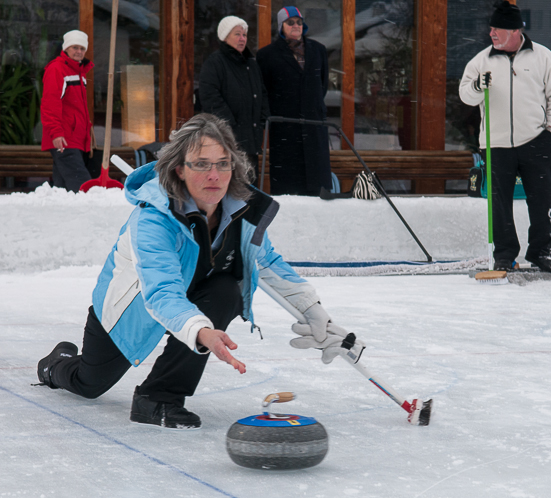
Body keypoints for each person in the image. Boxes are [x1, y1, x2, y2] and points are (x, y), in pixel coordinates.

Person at [35, 113, 363, 429]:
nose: (214, 176)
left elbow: (269, 262)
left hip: (196, 301)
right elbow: (161, 291)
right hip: (131, 311)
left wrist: (314, 311)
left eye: (223, 164)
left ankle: (158, 398)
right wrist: (203, 332)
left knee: (225, 291)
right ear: (179, 169)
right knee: (88, 384)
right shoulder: (153, 220)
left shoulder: (241, 210)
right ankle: (54, 366)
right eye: (201, 165)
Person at [459, 1, 551, 273]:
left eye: (497, 29)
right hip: (496, 144)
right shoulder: (481, 60)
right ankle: (505, 254)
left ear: (515, 31)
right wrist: (476, 85)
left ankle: (541, 252)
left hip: (536, 140)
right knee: (499, 203)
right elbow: (465, 95)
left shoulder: (543, 57)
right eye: (491, 28)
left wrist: (550, 129)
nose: (491, 34)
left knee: (542, 199)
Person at [256, 6, 332, 196]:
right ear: (281, 26)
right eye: (290, 22)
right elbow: (264, 90)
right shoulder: (266, 55)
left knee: (317, 191)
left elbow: (322, 86)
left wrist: (310, 107)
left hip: (314, 126)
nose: (296, 26)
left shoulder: (318, 50)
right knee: (287, 190)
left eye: (299, 22)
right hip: (285, 129)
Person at [199, 16, 269, 164]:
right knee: (230, 183)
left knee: (250, 184)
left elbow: (261, 93)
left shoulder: (251, 64)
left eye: (244, 35)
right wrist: (229, 125)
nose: (242, 38)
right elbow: (210, 97)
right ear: (225, 36)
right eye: (237, 34)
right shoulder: (215, 63)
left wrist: (262, 120)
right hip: (225, 142)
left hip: (252, 143)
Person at [41, 30, 94, 192]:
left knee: (63, 188)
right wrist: (56, 132)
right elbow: (50, 103)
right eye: (74, 47)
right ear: (66, 49)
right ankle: (91, 212)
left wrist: (88, 132)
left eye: (82, 48)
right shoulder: (57, 69)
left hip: (74, 137)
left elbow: (78, 107)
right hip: (64, 138)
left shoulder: (79, 72)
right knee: (82, 186)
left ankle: (61, 214)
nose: (79, 52)